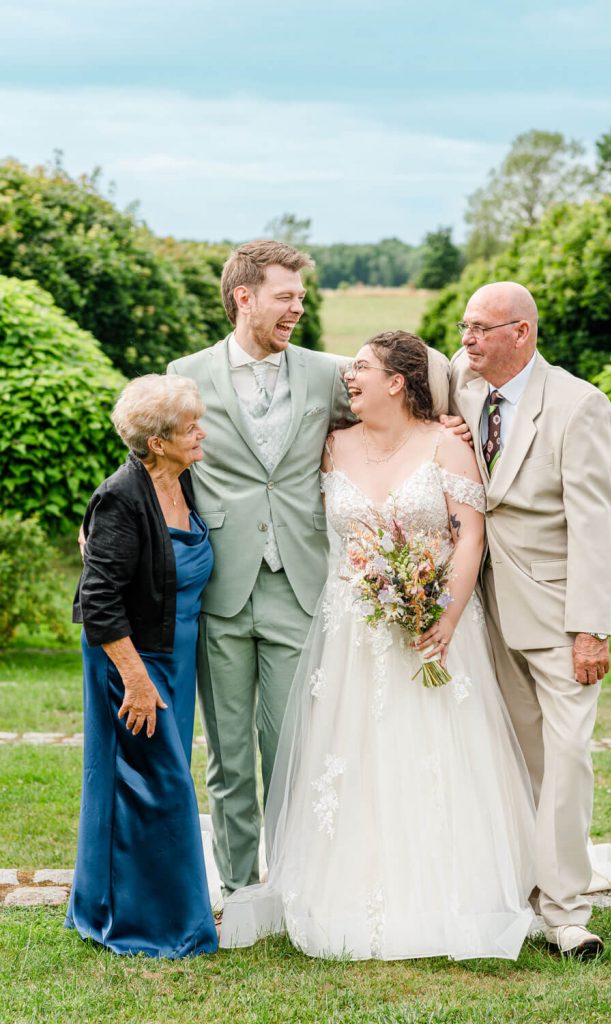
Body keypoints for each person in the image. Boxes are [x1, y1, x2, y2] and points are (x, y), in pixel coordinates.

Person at [220, 330, 536, 960]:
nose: (349, 376)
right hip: (353, 631)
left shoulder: (447, 443)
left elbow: (469, 538)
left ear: (397, 381)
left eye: (361, 367)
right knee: (354, 753)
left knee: (436, 753)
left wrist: (444, 616)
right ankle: (350, 885)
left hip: (436, 628)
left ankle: (446, 888)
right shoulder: (331, 445)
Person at [166, 241, 451, 908]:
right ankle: (240, 888)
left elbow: (400, 396)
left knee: (294, 747)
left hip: (302, 586)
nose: (297, 307)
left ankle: (293, 885)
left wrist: (442, 427)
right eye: (285, 296)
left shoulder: (328, 373)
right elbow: (158, 456)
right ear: (244, 298)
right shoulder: (187, 373)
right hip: (220, 586)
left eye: (301, 296)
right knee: (228, 755)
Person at [443, 282, 611, 958]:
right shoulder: (458, 382)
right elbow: (383, 371)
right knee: (517, 758)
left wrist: (590, 629)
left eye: (480, 329)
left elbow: (594, 523)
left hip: (557, 615)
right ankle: (519, 886)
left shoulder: (577, 405)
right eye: (464, 326)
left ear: (520, 332)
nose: (467, 339)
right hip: (481, 612)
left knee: (567, 757)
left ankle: (567, 912)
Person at [66, 374, 218, 959]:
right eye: (190, 428)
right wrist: (134, 679)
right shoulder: (122, 497)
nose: (201, 433)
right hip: (132, 661)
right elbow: (98, 599)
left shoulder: (185, 480)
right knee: (157, 788)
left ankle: (115, 906)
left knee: (155, 782)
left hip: (173, 657)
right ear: (157, 443)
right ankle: (156, 926)